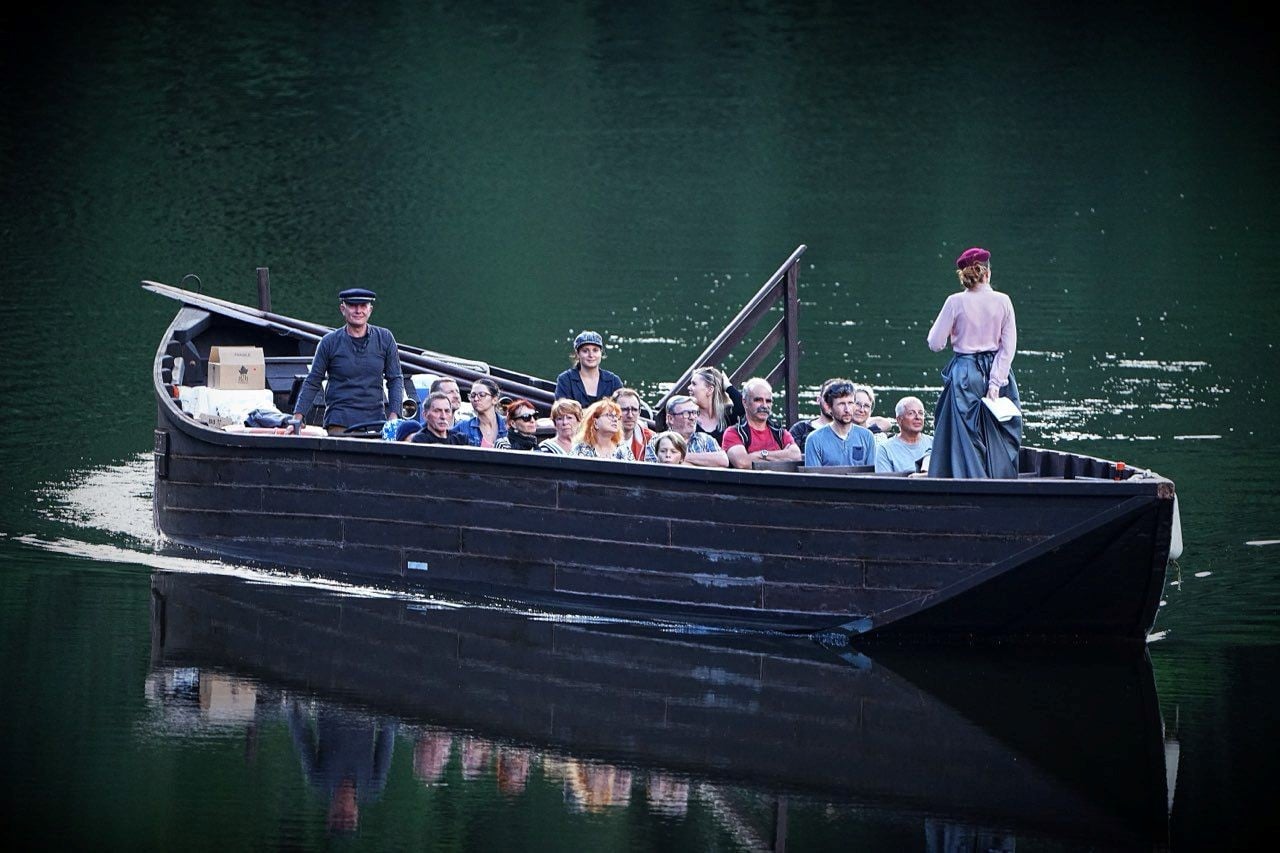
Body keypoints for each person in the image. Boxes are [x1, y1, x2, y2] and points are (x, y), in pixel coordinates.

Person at [926, 246, 1021, 478]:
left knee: (964, 435)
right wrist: (996, 383)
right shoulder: (1004, 301)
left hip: (965, 372)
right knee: (998, 429)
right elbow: (1008, 347)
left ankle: (966, 479)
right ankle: (999, 480)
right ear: (987, 272)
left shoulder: (955, 302)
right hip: (997, 371)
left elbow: (935, 343)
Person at [292, 288, 405, 435]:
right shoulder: (329, 342)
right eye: (352, 305)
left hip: (376, 420)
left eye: (363, 306)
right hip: (340, 420)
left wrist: (394, 416)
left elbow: (395, 379)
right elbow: (313, 381)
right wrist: (297, 418)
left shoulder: (385, 338)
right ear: (342, 309)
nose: (358, 311)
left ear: (370, 310)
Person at [722, 378, 802, 469]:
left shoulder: (780, 433)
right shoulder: (733, 433)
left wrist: (761, 455)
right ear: (745, 402)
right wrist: (781, 456)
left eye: (768, 401)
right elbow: (743, 463)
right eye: (758, 400)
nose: (764, 405)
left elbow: (796, 456)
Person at [803, 379, 877, 468]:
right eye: (841, 404)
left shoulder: (867, 436)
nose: (847, 409)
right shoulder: (814, 439)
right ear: (829, 408)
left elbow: (872, 475)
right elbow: (813, 478)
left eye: (850, 403)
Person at [644, 395, 729, 467]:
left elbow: (724, 461)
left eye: (695, 413)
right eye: (686, 413)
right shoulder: (656, 441)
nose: (692, 417)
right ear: (670, 419)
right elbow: (656, 470)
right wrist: (705, 463)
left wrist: (680, 458)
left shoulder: (706, 439)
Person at [555, 330, 624, 407]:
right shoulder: (565, 380)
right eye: (585, 351)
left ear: (601, 353)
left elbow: (621, 410)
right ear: (577, 354)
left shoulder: (614, 381)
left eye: (595, 350)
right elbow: (562, 411)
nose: (591, 355)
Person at [876, 396, 934, 473]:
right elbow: (885, 483)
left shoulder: (935, 444)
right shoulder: (885, 449)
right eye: (911, 413)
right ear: (899, 420)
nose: (917, 417)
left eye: (921, 413)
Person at [687, 366, 740, 445]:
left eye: (694, 384)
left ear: (710, 390)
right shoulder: (687, 417)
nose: (689, 387)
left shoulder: (727, 416)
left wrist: (729, 387)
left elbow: (745, 407)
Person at [451, 377, 507, 447]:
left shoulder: (508, 424)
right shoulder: (463, 426)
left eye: (482, 395)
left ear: (494, 399)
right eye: (473, 395)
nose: (476, 399)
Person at [789, 378, 839, 452]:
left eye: (836, 399)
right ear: (818, 400)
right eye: (827, 398)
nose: (831, 403)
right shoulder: (800, 429)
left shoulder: (850, 430)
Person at [613, 388, 654, 460]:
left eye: (634, 410)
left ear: (639, 412)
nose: (630, 415)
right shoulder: (601, 437)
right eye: (624, 410)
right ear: (613, 411)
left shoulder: (650, 439)